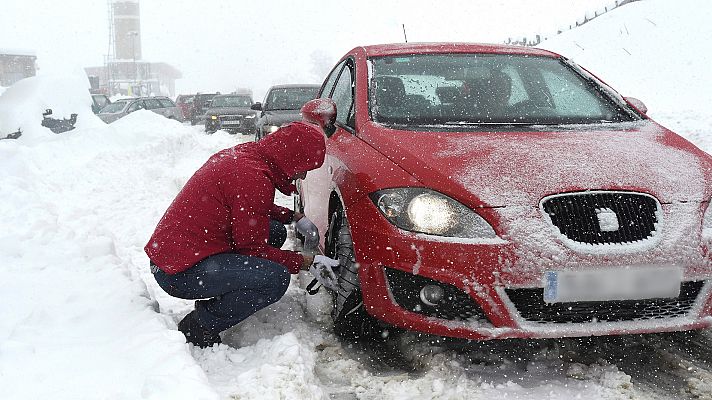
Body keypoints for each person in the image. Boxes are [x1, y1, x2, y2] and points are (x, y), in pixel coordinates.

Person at [145, 107, 339, 348]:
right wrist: (305, 262)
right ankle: (200, 325)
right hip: (178, 271)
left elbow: (249, 206)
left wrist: (292, 215)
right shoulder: (252, 178)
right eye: (304, 168)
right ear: (291, 159)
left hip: (176, 255)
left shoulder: (248, 158)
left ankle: (231, 290)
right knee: (275, 279)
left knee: (276, 232)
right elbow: (252, 249)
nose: (301, 175)